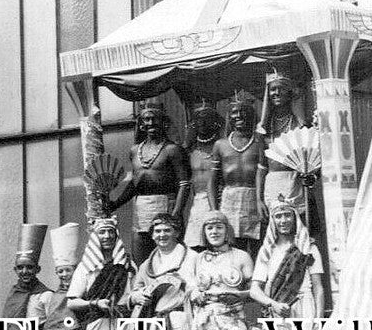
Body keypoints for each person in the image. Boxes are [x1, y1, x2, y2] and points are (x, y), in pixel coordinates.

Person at [180, 210, 255, 330]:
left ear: (227, 230)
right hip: (205, 321)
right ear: (204, 232)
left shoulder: (241, 256)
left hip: (233, 320)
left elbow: (255, 291)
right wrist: (195, 294)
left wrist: (238, 295)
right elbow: (189, 289)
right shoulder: (197, 258)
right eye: (209, 228)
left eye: (219, 227)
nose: (214, 232)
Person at [110, 100, 192, 264]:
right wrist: (116, 203)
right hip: (141, 208)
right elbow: (135, 183)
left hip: (166, 205)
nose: (150, 123)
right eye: (146, 119)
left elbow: (184, 183)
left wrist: (176, 213)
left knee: (169, 256)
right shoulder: (135, 150)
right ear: (141, 124)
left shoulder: (172, 150)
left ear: (164, 122)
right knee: (140, 256)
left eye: (155, 118)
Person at [209, 91, 267, 257]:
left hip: (255, 198)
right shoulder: (220, 145)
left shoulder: (259, 144)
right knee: (233, 250)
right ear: (229, 117)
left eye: (244, 112)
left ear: (252, 115)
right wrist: (215, 210)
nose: (239, 116)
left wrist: (260, 199)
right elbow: (212, 181)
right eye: (235, 113)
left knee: (259, 249)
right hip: (229, 200)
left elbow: (263, 173)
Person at [250, 197, 325, 321]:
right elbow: (254, 290)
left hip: (304, 306)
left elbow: (318, 287)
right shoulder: (267, 250)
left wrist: (319, 320)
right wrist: (273, 304)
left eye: (287, 215)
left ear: (295, 218)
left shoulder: (308, 248)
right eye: (278, 216)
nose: (283, 220)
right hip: (277, 307)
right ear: (272, 221)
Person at [256, 67, 308, 221]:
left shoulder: (300, 126)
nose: (276, 93)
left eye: (281, 89)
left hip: (296, 184)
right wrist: (258, 200)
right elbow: (261, 167)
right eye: (273, 89)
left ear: (289, 93)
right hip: (272, 185)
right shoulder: (263, 128)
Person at [184, 98, 224, 250]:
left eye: (207, 118)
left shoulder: (221, 145)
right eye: (198, 119)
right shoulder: (191, 149)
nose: (202, 122)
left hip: (219, 198)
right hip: (198, 200)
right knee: (196, 245)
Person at [33, 221, 80, 330]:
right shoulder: (54, 296)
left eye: (68, 270)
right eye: (60, 271)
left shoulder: (81, 291)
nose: (64, 274)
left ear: (75, 270)